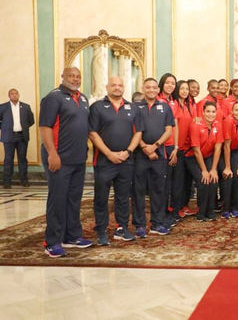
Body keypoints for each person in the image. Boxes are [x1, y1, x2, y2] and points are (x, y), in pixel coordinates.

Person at [39, 67, 92, 257]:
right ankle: (52, 241)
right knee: (58, 199)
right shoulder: (54, 97)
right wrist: (52, 153)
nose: (75, 79)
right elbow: (45, 127)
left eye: (78, 76)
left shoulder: (83, 98)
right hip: (59, 159)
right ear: (63, 77)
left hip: (78, 159)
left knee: (73, 199)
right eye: (71, 76)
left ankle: (72, 236)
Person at [89, 76, 143, 245]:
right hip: (104, 161)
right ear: (107, 87)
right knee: (101, 197)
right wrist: (109, 153)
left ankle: (122, 228)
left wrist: (128, 152)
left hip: (126, 161)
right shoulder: (97, 107)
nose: (117, 88)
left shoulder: (132, 108)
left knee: (123, 196)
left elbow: (138, 133)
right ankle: (101, 230)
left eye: (120, 85)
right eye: (114, 85)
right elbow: (92, 133)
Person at [133, 78, 174, 237]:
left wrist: (155, 146)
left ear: (158, 90)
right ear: (143, 88)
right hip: (140, 154)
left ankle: (157, 223)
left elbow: (168, 130)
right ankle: (140, 225)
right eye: (148, 87)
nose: (151, 90)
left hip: (159, 154)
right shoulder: (136, 107)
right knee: (138, 191)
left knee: (159, 190)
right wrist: (144, 147)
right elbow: (134, 130)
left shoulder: (165, 107)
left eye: (154, 87)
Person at [186, 101, 223, 221]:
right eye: (208, 111)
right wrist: (204, 170)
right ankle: (201, 212)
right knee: (203, 181)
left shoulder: (218, 125)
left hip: (208, 156)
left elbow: (218, 148)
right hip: (192, 157)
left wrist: (213, 169)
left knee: (213, 180)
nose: (210, 114)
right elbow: (196, 150)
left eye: (213, 112)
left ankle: (210, 210)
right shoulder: (195, 125)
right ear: (203, 112)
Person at [170, 80, 198, 219]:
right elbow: (173, 127)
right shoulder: (174, 104)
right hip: (177, 148)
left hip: (188, 148)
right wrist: (175, 147)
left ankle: (184, 206)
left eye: (187, 89)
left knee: (187, 180)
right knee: (177, 181)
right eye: (182, 88)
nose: (185, 91)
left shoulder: (188, 105)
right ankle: (176, 208)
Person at [157, 73, 179, 227]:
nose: (170, 86)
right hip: (160, 146)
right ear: (162, 84)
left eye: (173, 83)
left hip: (171, 146)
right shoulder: (156, 100)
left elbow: (174, 126)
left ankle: (167, 212)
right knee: (160, 182)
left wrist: (176, 147)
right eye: (167, 83)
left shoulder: (173, 102)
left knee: (169, 183)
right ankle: (160, 215)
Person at [0, 88, 34, 187]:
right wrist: (4, 127)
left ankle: (24, 180)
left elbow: (31, 121)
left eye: (16, 93)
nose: (14, 95)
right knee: (8, 159)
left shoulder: (26, 107)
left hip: (22, 137)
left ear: (18, 95)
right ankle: (7, 182)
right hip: (9, 137)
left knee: (22, 159)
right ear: (9, 96)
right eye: (12, 94)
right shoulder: (2, 107)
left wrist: (23, 127)